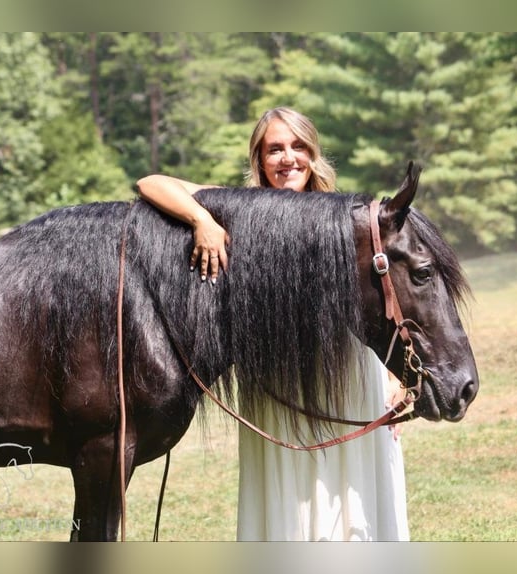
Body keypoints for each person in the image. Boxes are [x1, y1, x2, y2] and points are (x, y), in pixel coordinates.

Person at [137, 107, 409, 541]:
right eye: (275, 149)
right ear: (259, 159)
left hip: (354, 382)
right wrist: (203, 220)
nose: (288, 158)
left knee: (356, 503)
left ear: (314, 154)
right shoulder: (242, 210)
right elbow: (150, 184)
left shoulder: (343, 215)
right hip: (277, 389)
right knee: (291, 510)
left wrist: (395, 377)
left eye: (298, 147)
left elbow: (383, 299)